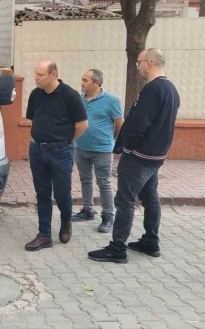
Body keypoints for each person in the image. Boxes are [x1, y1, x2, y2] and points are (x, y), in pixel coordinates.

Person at [89, 49, 180, 264]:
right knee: (150, 198)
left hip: (139, 156)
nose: (137, 66)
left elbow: (139, 124)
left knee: (125, 201)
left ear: (148, 63)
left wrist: (127, 147)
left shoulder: (152, 89)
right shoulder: (171, 89)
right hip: (155, 156)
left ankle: (117, 248)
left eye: (138, 62)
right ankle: (151, 242)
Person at [24, 59, 88, 252]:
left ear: (53, 74)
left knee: (62, 193)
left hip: (61, 152)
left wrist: (67, 141)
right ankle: (44, 235)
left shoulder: (69, 95)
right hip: (37, 151)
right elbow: (32, 119)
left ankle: (66, 221)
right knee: (42, 193)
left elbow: (82, 125)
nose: (36, 78)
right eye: (35, 74)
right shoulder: (36, 94)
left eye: (40, 75)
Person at [71, 69, 124, 233]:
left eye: (85, 80)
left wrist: (116, 144)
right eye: (82, 79)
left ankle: (108, 216)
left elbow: (120, 124)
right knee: (85, 180)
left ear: (97, 83)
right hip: (81, 148)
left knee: (104, 183)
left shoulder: (111, 100)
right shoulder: (79, 100)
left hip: (102, 150)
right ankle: (87, 210)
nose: (82, 83)